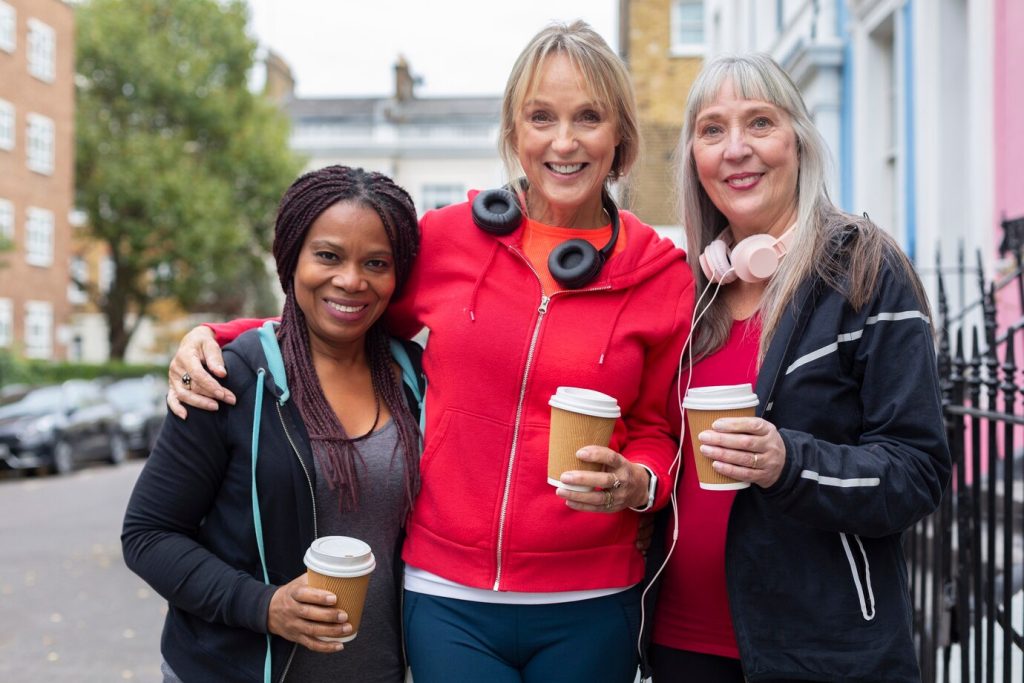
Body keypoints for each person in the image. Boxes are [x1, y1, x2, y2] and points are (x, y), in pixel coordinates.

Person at [165, 21, 694, 682]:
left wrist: (639, 484)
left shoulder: (662, 276)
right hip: (448, 596)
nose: (563, 140)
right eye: (541, 116)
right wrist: (221, 336)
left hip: (591, 597)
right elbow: (348, 308)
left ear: (619, 134)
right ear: (514, 131)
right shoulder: (447, 241)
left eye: (588, 117)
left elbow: (658, 428)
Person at [647, 53, 951, 682]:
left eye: (760, 123)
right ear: (694, 158)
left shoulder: (865, 271)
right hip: (679, 646)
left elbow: (918, 472)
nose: (736, 149)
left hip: (822, 653)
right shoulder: (688, 290)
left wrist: (791, 463)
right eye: (712, 130)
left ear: (800, 141)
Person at [122, 165, 426, 683]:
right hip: (237, 669)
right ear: (292, 258)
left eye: (376, 262)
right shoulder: (229, 377)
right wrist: (265, 606)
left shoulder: (412, 379)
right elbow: (149, 535)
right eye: (328, 255)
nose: (351, 280)